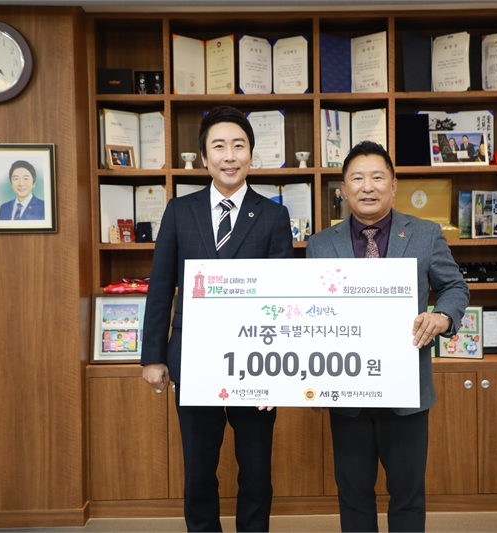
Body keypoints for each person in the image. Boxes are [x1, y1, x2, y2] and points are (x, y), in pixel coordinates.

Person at [141, 106, 294, 532]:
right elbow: (161, 286)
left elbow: (282, 297)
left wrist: (278, 374)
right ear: (204, 157)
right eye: (219, 146)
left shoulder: (273, 215)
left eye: (239, 146)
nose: (230, 156)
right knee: (198, 470)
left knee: (256, 470)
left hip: (257, 364)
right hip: (194, 359)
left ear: (251, 155)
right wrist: (152, 357)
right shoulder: (179, 210)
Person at [306, 141, 469, 532]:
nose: (368, 187)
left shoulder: (425, 234)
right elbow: (310, 311)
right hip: (347, 392)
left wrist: (442, 316)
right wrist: (310, 379)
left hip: (406, 391)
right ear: (343, 189)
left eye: (377, 177)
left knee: (408, 496)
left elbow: (454, 287)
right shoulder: (321, 244)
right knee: (354, 495)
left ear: (393, 186)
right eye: (357, 178)